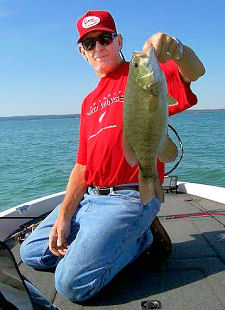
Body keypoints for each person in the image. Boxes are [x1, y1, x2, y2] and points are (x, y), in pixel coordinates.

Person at [20, 10, 205, 302]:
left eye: (105, 38)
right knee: (30, 253)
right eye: (90, 43)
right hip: (90, 198)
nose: (98, 47)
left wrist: (177, 49)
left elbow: (195, 72)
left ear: (118, 41)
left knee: (70, 285)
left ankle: (140, 238)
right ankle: (114, 237)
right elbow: (82, 165)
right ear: (82, 52)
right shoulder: (88, 102)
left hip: (130, 197)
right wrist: (66, 214)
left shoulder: (145, 74)